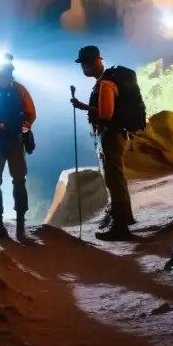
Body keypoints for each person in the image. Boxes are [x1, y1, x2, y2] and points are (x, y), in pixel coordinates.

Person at [70, 46, 135, 240]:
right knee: (115, 178)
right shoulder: (103, 81)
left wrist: (82, 106)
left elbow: (107, 113)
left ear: (93, 62)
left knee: (114, 180)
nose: (82, 68)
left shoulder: (106, 83)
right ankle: (122, 217)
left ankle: (121, 226)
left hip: (111, 136)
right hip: (113, 135)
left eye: (83, 64)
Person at [0, 55, 36, 241]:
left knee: (19, 181)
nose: (6, 78)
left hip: (14, 141)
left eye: (8, 75)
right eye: (3, 75)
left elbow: (31, 114)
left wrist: (20, 125)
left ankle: (20, 227)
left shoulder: (19, 90)